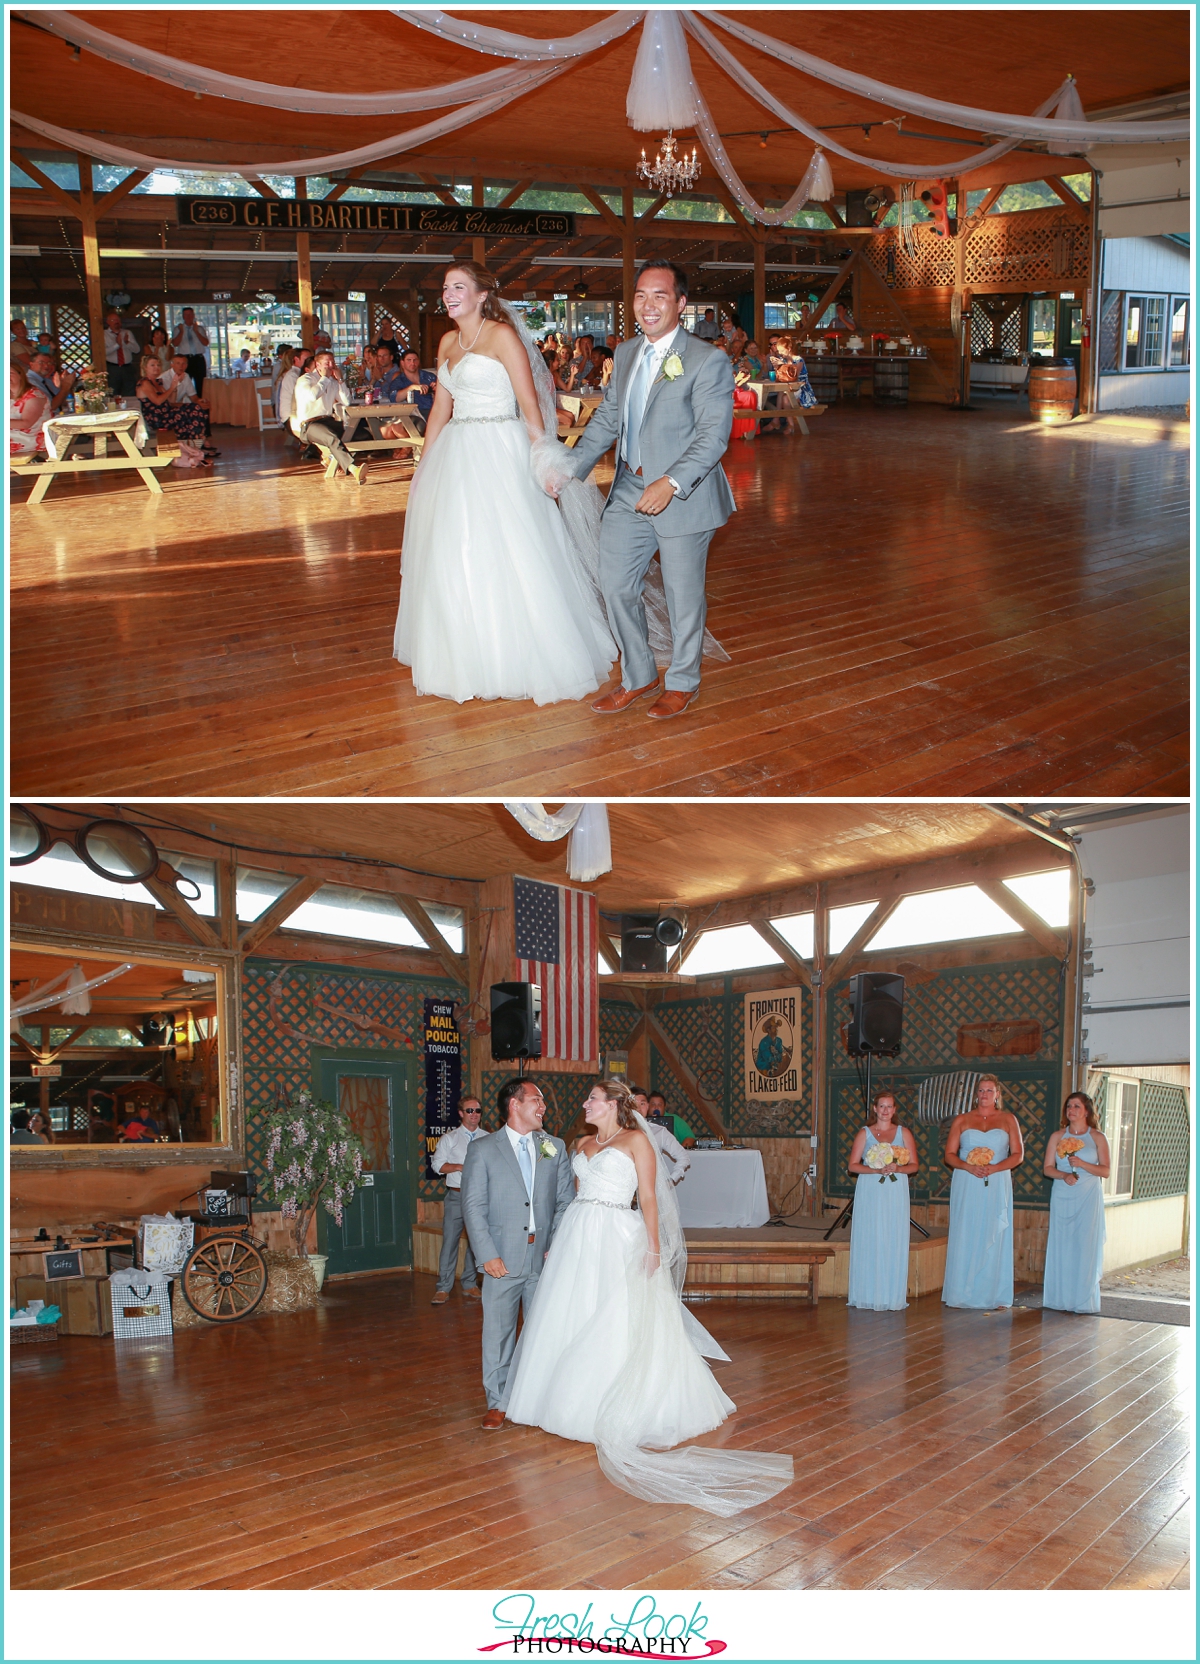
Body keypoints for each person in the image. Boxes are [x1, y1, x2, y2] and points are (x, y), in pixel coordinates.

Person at [502, 1078, 793, 1515]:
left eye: (593, 1099)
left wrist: (654, 1246)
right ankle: (549, 1397)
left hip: (620, 1233)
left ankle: (612, 1405)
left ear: (614, 1105)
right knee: (570, 1313)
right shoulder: (578, 1142)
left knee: (616, 1317)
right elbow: (569, 1195)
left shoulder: (638, 1140)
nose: (585, 1103)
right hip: (578, 1237)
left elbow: (651, 1199)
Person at [392, 260, 615, 705]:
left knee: (513, 545)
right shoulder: (448, 342)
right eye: (445, 287)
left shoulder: (502, 336)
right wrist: (425, 464)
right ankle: (464, 652)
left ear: (480, 295)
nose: (449, 294)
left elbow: (531, 404)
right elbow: (440, 409)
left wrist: (545, 459)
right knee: (455, 548)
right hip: (456, 454)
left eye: (459, 287)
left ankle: (522, 653)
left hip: (502, 448)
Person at [565, 259, 735, 721]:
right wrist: (570, 467)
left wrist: (671, 480)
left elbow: (714, 435)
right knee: (614, 583)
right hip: (628, 486)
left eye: (659, 295)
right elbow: (609, 418)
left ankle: (682, 682)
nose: (648, 305)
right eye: (640, 296)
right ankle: (639, 675)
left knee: (683, 597)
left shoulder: (708, 359)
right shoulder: (623, 354)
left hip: (683, 493)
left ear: (681, 303)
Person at [459, 1078, 575, 1429]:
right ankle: (498, 1402)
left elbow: (565, 1202)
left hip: (543, 1258)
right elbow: (473, 1207)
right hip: (501, 1260)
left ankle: (536, 1398)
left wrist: (555, 1245)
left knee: (543, 1332)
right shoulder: (483, 1150)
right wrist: (486, 1255)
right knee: (498, 1333)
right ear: (514, 1104)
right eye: (537, 1100)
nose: (544, 1107)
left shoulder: (552, 1146)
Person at [942, 1074, 1024, 1310]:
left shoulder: (1009, 1119)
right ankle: (962, 1292)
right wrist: (968, 1166)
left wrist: (995, 1167)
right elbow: (949, 1154)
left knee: (993, 1230)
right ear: (975, 1094)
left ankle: (993, 1293)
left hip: (997, 1179)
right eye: (981, 1090)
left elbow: (1018, 1155)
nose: (985, 1094)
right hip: (967, 1180)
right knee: (967, 1228)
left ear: (998, 1094)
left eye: (989, 1091)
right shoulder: (963, 1119)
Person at [846, 1087, 919, 1311]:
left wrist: (898, 1167)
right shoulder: (864, 1133)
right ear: (875, 1109)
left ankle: (890, 1294)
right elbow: (853, 1165)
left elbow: (915, 1166)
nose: (885, 1110)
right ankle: (867, 1293)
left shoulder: (903, 1133)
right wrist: (876, 1170)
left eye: (889, 1106)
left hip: (894, 1191)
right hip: (870, 1188)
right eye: (881, 1106)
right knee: (871, 1236)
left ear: (894, 1109)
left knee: (891, 1236)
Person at [1042, 1092, 1110, 1314]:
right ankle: (1059, 1298)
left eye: (1077, 1106)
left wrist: (1082, 1163)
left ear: (1087, 1111)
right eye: (1069, 1106)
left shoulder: (1098, 1137)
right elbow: (1048, 1168)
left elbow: (1106, 1171)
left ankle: (1083, 1299)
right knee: (1063, 1243)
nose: (1071, 1110)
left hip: (1088, 1196)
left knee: (1084, 1245)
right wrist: (1064, 1175)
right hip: (1063, 1194)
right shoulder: (1057, 1136)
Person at [430, 1096, 487, 1305]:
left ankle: (470, 1284)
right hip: (456, 1195)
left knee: (476, 1242)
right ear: (461, 1113)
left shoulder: (487, 1138)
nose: (474, 1115)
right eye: (470, 1110)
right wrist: (459, 1166)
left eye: (478, 1111)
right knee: (450, 1243)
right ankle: (443, 1287)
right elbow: (437, 1166)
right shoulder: (450, 1139)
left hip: (480, 1197)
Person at [291, 350, 368, 483]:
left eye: (333, 362)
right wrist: (325, 378)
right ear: (318, 364)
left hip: (328, 420)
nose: (331, 365)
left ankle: (333, 458)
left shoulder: (332, 381)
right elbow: (312, 396)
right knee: (331, 437)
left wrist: (340, 380)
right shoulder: (305, 379)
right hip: (309, 424)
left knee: (361, 433)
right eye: (327, 363)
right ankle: (353, 469)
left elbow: (346, 401)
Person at [137, 358, 210, 466]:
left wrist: (175, 387)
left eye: (158, 365)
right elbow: (157, 401)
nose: (156, 367)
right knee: (193, 413)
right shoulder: (144, 383)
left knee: (196, 408)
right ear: (145, 367)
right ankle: (195, 449)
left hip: (166, 412)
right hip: (157, 417)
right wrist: (172, 387)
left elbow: (171, 401)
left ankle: (195, 448)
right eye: (152, 365)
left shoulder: (157, 382)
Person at [162, 354, 219, 457]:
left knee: (201, 407)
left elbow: (194, 397)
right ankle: (199, 443)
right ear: (172, 365)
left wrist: (201, 401)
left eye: (184, 363)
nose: (181, 366)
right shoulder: (164, 378)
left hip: (179, 406)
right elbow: (170, 402)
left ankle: (199, 441)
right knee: (192, 409)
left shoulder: (186, 376)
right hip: (167, 408)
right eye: (178, 363)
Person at [631, 1088, 690, 1184]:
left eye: (642, 1104)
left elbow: (683, 1157)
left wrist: (670, 1181)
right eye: (633, 1103)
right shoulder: (616, 1131)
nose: (638, 1108)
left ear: (647, 1106)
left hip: (652, 1188)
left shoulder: (659, 1131)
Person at [9, 363, 50, 457]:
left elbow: (26, 423)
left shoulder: (34, 395)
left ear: (20, 375)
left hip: (29, 438)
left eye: (10, 373)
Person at [171, 307, 210, 395]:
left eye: (190, 314)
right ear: (183, 316)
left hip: (198, 358)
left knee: (201, 384)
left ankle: (201, 405)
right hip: (185, 359)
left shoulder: (199, 328)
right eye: (186, 315)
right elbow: (175, 344)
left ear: (193, 315)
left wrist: (196, 331)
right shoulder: (178, 329)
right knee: (184, 384)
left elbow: (206, 343)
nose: (188, 317)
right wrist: (181, 332)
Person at [102, 311, 140, 400]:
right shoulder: (104, 334)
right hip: (113, 368)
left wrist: (127, 343)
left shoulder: (127, 333)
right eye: (114, 320)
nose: (117, 322)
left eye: (118, 320)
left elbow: (137, 350)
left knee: (130, 392)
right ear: (108, 322)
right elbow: (103, 352)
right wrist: (117, 345)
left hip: (127, 367)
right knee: (113, 392)